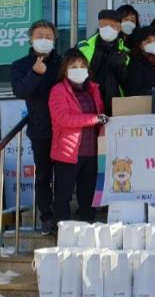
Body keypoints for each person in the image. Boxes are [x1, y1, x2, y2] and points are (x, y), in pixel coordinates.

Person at [10, 20, 61, 235]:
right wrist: (35, 73)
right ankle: (46, 217)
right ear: (31, 39)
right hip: (40, 128)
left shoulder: (63, 62)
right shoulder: (20, 65)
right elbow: (20, 91)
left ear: (55, 39)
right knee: (43, 176)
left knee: (66, 175)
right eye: (40, 36)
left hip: (66, 128)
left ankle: (62, 215)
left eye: (48, 36)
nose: (44, 40)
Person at [49, 49, 108, 223]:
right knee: (64, 195)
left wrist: (102, 121)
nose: (79, 69)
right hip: (68, 153)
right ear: (65, 70)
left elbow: (99, 114)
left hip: (92, 151)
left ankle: (87, 230)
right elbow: (62, 118)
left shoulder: (93, 89)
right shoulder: (58, 90)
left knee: (88, 196)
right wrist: (94, 119)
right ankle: (60, 230)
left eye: (82, 66)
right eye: (73, 66)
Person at [77, 9, 130, 116]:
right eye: (104, 25)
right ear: (99, 25)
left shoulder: (126, 53)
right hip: (87, 104)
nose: (108, 28)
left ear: (119, 28)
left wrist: (120, 65)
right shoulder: (83, 47)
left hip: (116, 106)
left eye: (112, 25)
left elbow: (128, 82)